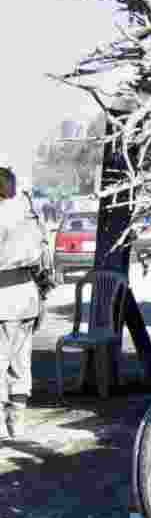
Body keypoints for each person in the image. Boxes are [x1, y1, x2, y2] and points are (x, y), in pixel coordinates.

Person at [0, 159, 47, 440]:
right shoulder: (29, 213)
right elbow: (45, 261)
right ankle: (17, 422)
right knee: (21, 362)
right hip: (27, 297)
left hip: (2, 297)